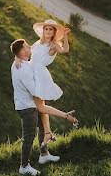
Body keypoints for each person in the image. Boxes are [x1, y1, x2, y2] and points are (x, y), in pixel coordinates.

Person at [10, 38, 77, 176]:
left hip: (30, 104)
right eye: (27, 47)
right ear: (22, 52)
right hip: (26, 107)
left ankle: (44, 154)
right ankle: (24, 166)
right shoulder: (23, 70)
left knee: (42, 127)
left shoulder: (21, 62)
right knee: (28, 136)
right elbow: (36, 92)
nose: (30, 48)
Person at [31, 20, 77, 164]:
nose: (49, 31)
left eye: (51, 29)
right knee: (41, 109)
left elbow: (65, 50)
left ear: (54, 32)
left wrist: (65, 36)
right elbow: (27, 54)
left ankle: (65, 116)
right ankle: (47, 135)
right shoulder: (37, 43)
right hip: (30, 72)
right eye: (47, 28)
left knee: (40, 107)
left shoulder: (54, 45)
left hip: (39, 75)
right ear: (43, 30)